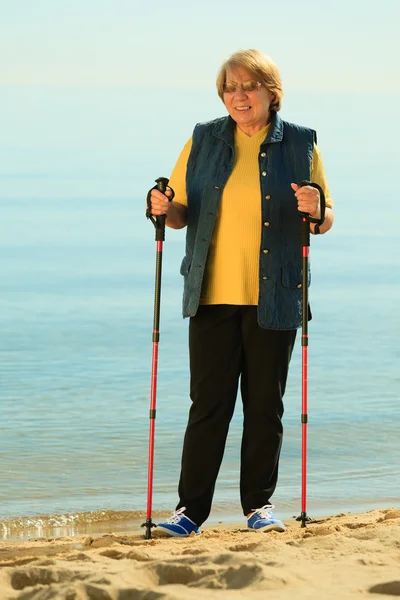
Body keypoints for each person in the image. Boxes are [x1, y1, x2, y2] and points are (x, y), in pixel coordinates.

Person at [148, 49, 334, 537]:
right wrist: (161, 207)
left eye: (249, 86)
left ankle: (259, 506)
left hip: (274, 295)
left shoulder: (302, 143)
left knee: (264, 405)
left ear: (271, 92)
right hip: (210, 293)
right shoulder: (203, 139)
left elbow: (324, 219)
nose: (238, 95)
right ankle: (189, 512)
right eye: (230, 87)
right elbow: (181, 210)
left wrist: (317, 207)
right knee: (207, 405)